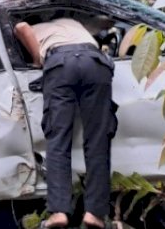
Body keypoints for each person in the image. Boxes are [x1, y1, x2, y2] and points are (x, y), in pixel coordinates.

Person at [14, 17, 118, 229]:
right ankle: (95, 214)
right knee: (98, 140)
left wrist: (36, 59)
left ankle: (59, 212)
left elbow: (20, 27)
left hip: (60, 63)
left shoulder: (35, 27)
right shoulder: (73, 21)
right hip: (95, 61)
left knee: (58, 140)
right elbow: (105, 23)